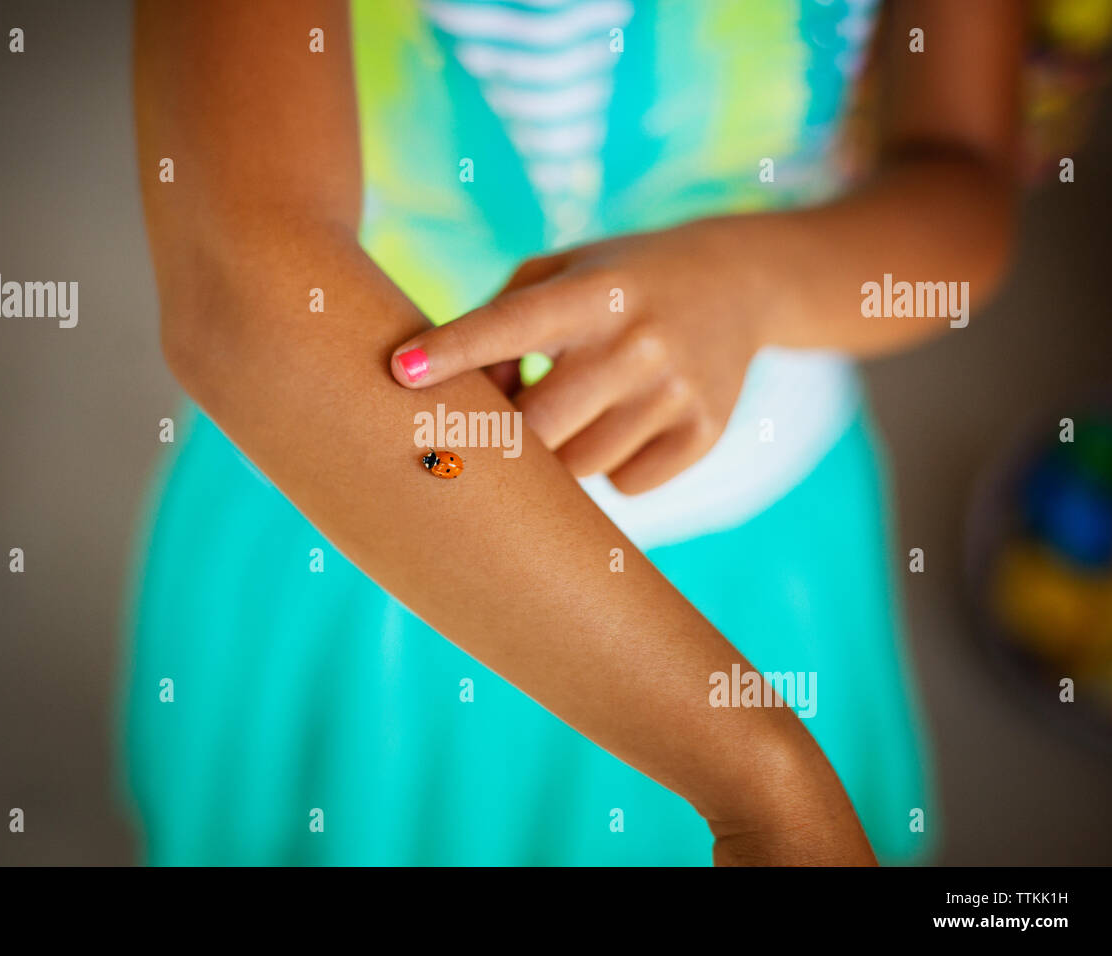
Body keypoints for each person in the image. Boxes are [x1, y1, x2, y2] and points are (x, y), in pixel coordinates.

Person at [122, 0, 1022, 865]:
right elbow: (242, 288)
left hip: (760, 535)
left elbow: (966, 181)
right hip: (342, 521)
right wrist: (758, 773)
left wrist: (754, 282)